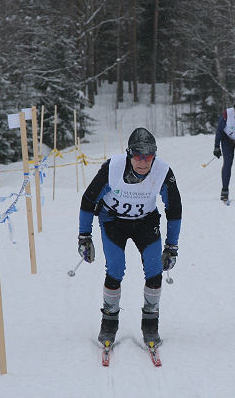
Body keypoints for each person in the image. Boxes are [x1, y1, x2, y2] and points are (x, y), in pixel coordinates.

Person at [77, 127, 182, 348]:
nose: (143, 162)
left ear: (154, 156)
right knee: (115, 268)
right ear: (129, 154)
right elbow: (88, 200)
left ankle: (150, 325)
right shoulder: (113, 168)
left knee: (154, 269)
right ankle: (109, 323)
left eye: (148, 157)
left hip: (145, 221)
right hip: (113, 221)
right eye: (138, 156)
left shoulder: (163, 171)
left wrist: (172, 246)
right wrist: (84, 236)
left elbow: (174, 209)